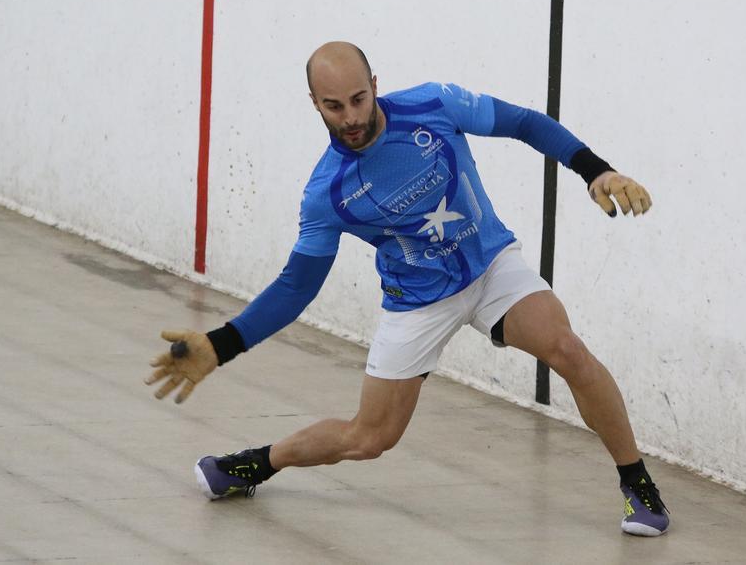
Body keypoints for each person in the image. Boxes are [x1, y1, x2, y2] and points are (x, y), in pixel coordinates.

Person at [144, 41, 669, 536]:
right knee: (370, 438)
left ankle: (636, 481)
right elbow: (295, 289)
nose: (350, 117)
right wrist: (222, 343)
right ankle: (258, 463)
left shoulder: (434, 104)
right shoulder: (326, 195)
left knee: (568, 350)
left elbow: (524, 123)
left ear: (374, 84)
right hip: (417, 301)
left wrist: (594, 170)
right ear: (313, 104)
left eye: (358, 98)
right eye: (333, 106)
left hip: (489, 267)